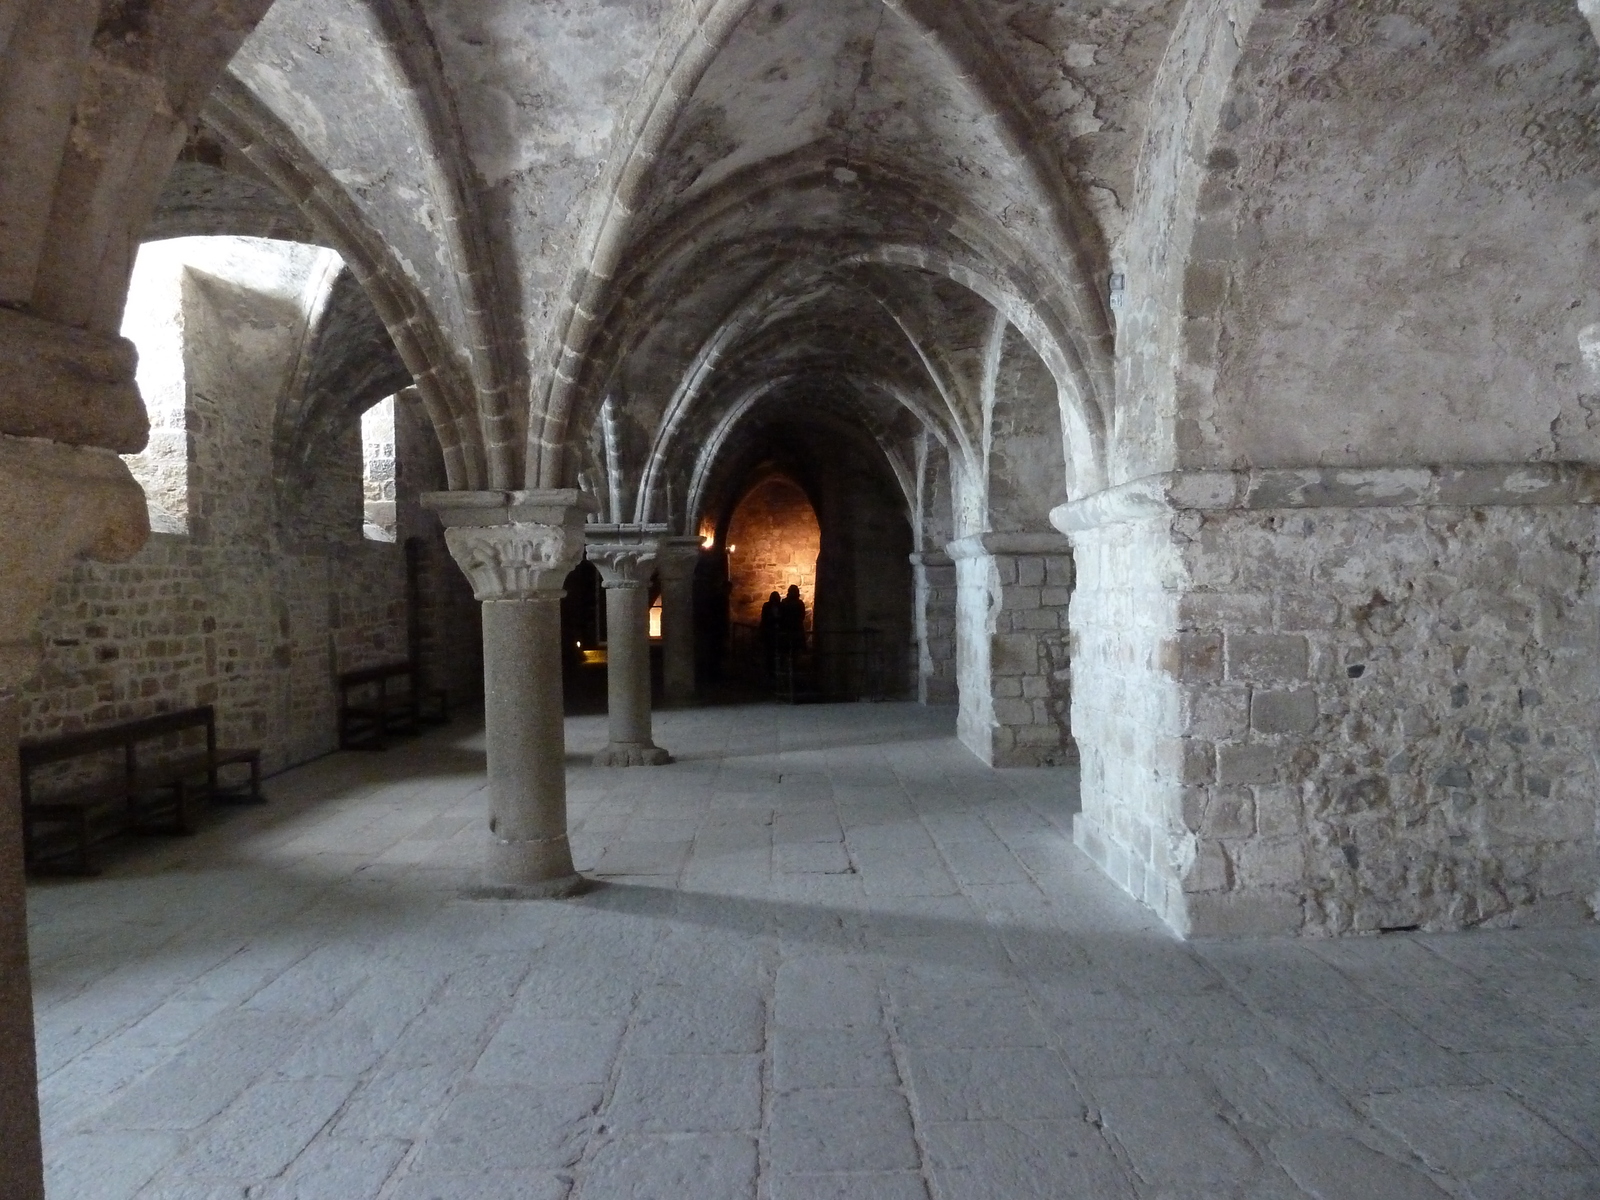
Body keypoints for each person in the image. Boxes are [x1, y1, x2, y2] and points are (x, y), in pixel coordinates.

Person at [759, 590, 782, 681]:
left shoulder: (779, 606)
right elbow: (765, 618)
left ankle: (774, 671)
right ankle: (769, 671)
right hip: (769, 632)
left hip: (775, 632)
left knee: (774, 653)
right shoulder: (767, 606)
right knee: (769, 653)